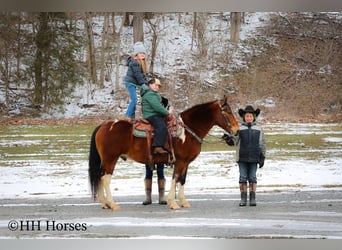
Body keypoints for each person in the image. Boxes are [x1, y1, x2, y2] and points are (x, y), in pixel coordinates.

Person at [223, 105, 266, 206]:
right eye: (247, 116)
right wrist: (228, 139)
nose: (249, 118)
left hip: (254, 158)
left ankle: (252, 198)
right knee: (242, 177)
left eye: (250, 116)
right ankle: (243, 198)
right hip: (242, 158)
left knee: (252, 177)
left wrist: (262, 156)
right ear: (244, 117)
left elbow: (263, 143)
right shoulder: (240, 129)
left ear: (254, 117)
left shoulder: (259, 129)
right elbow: (234, 141)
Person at [141, 78, 172, 155]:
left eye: (158, 86)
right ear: (150, 85)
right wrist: (167, 113)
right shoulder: (150, 94)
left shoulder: (153, 94)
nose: (157, 87)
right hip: (151, 115)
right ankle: (158, 147)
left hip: (154, 114)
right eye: (156, 85)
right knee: (161, 127)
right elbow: (157, 107)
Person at [124, 41, 149, 121]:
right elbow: (138, 75)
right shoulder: (135, 63)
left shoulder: (140, 63)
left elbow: (142, 75)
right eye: (140, 53)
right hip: (130, 83)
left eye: (143, 53)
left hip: (134, 83)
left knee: (136, 99)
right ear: (136, 54)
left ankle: (132, 117)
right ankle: (128, 116)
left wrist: (146, 81)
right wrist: (142, 84)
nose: (142, 54)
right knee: (134, 99)